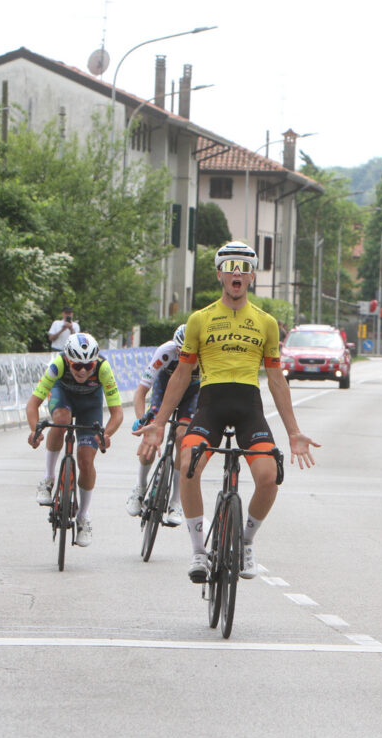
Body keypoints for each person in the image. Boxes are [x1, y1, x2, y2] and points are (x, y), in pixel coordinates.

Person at [136, 241, 319, 583]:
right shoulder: (200, 319)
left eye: (244, 268)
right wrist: (159, 423)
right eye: (230, 268)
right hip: (211, 406)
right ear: (220, 274)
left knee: (269, 477)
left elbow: (277, 379)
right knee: (188, 464)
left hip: (249, 406)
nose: (237, 274)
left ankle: (246, 541)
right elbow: (179, 375)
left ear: (251, 277)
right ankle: (198, 552)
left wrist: (294, 432)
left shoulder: (265, 323)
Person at [25, 332, 123, 548]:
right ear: (68, 359)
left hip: (91, 405)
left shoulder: (103, 368)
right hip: (63, 398)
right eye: (77, 365)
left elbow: (117, 413)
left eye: (88, 366)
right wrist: (35, 431)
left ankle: (83, 517)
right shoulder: (58, 364)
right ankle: (48, 478)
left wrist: (106, 434)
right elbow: (32, 404)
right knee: (61, 420)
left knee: (86, 461)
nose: (82, 370)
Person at [127, 323, 199, 525]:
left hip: (192, 394)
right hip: (165, 388)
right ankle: (140, 488)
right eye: (182, 352)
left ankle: (176, 501)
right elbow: (141, 392)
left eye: (192, 353)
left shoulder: (207, 357)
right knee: (150, 441)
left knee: (182, 438)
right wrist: (143, 420)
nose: (187, 358)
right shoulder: (165, 353)